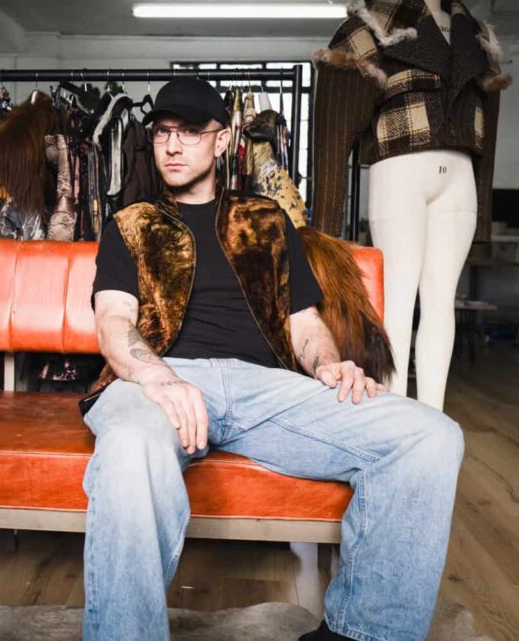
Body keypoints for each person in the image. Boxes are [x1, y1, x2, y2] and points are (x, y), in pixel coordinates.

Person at [82, 77, 465, 641]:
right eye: (163, 132)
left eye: (190, 132)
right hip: (158, 383)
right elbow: (113, 321)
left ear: (223, 139)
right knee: (131, 444)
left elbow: (305, 324)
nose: (172, 145)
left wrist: (329, 365)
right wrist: (156, 376)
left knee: (430, 436)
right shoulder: (130, 225)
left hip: (268, 389)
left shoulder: (266, 220)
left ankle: (362, 633)